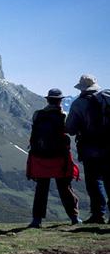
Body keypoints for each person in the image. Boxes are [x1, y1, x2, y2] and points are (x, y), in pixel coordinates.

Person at [26, 88, 81, 228]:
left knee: (41, 189)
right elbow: (69, 130)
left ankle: (36, 220)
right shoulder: (63, 115)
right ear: (60, 100)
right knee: (64, 188)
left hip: (40, 157)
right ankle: (74, 217)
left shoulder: (37, 115)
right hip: (59, 157)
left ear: (47, 99)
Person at [66, 74, 110, 224]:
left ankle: (98, 214)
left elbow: (70, 128)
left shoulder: (78, 104)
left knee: (94, 181)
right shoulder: (107, 96)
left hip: (90, 148)